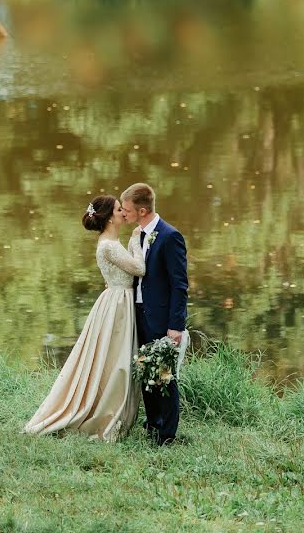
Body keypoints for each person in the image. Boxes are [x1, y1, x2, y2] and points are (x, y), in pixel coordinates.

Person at [23, 195, 143, 440]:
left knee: (110, 358)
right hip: (118, 305)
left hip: (117, 301)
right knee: (115, 360)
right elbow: (139, 269)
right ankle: (104, 411)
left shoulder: (110, 241)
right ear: (110, 217)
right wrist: (137, 243)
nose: (124, 212)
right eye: (120, 209)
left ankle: (106, 403)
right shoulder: (109, 245)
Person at [121, 183, 188, 446]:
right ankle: (152, 424)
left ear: (142, 210)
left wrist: (176, 326)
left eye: (126, 210)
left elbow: (179, 285)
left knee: (163, 374)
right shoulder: (138, 235)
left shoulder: (170, 236)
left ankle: (167, 434)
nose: (123, 214)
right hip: (139, 313)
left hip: (161, 319)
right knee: (145, 370)